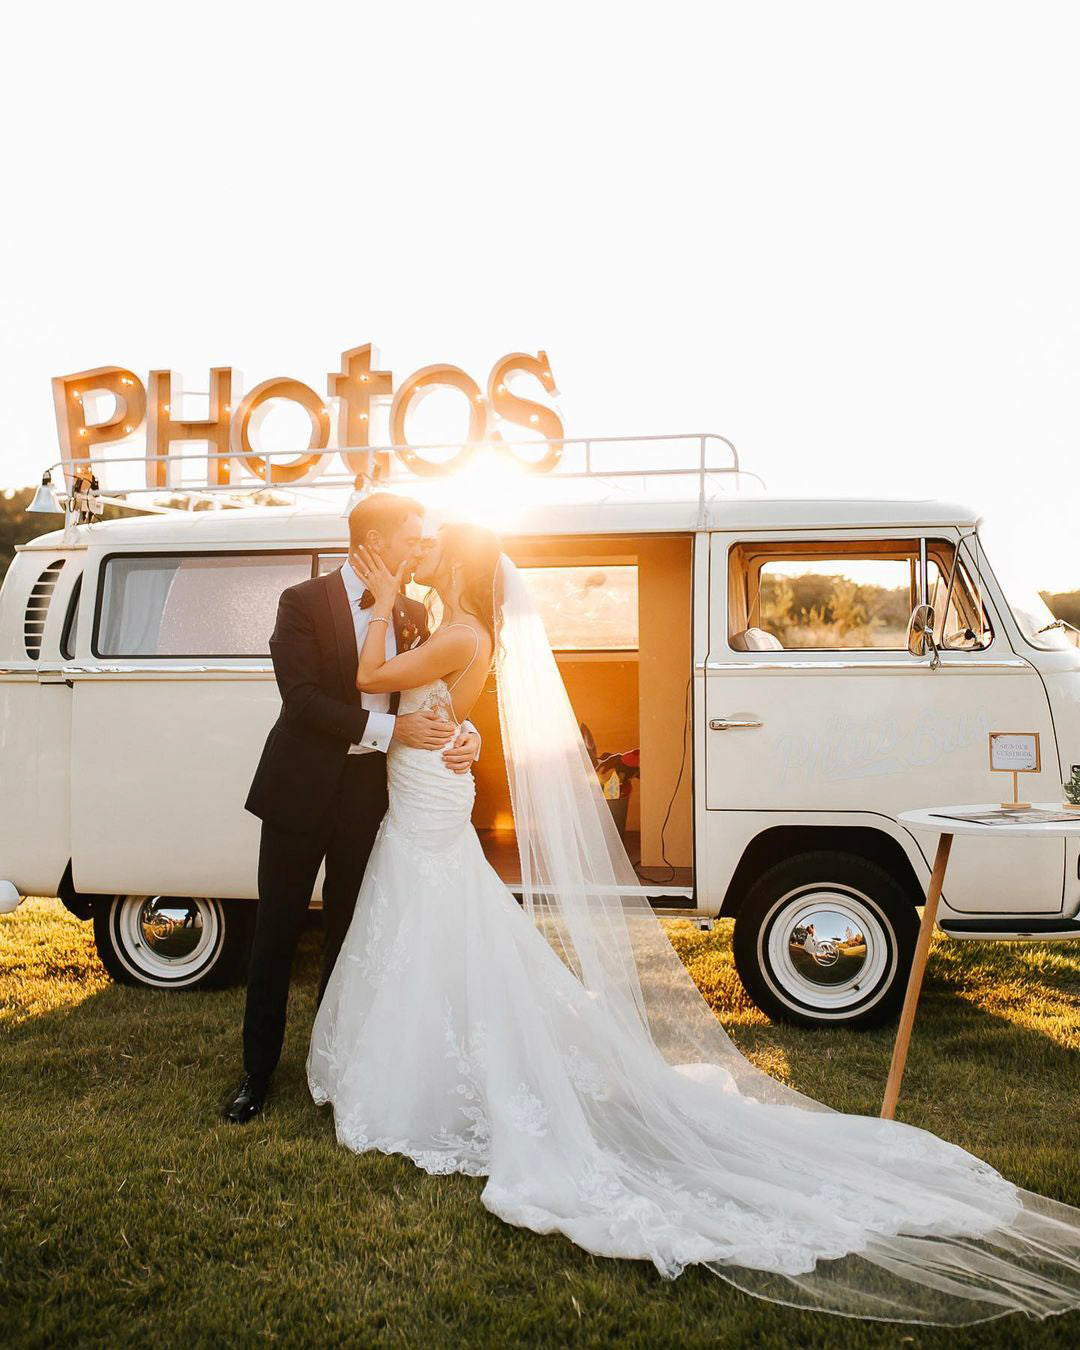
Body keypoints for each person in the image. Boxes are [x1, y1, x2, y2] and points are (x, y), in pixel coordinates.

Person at [308, 522, 1080, 1327]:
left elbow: (372, 675)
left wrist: (394, 611)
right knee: (447, 931)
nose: (417, 552)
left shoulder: (456, 629)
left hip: (426, 798)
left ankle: (423, 1075)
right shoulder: (458, 629)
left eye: (433, 547)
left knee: (441, 926)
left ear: (457, 567)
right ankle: (433, 1060)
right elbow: (430, 697)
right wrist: (454, 719)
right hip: (429, 790)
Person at [220, 494, 481, 1124]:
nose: (418, 549)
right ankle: (257, 1073)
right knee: (276, 931)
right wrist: (391, 733)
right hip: (298, 788)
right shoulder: (302, 603)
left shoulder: (418, 612)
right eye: (410, 538)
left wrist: (468, 735)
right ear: (373, 540)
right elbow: (302, 700)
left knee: (348, 933)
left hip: (371, 798)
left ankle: (331, 1064)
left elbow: (438, 696)